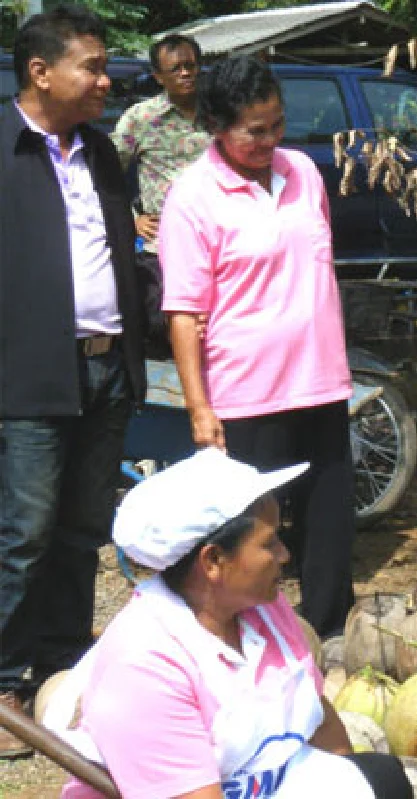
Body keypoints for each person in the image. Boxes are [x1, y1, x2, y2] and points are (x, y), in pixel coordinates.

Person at [51, 449, 413, 798]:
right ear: (213, 562)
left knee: (381, 778)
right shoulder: (145, 667)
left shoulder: (262, 608)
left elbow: (316, 713)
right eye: (269, 543)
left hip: (268, 782)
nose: (285, 555)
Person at [158, 56, 355, 637]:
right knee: (252, 536)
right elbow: (184, 313)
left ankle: (329, 635)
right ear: (217, 126)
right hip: (247, 395)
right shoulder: (192, 197)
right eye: (255, 130)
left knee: (329, 526)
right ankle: (247, 640)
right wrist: (200, 409)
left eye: (277, 124)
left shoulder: (303, 174)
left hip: (320, 379)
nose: (271, 140)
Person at [0, 5, 147, 759]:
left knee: (81, 532)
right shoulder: (3, 148)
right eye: (91, 65)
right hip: (27, 376)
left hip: (106, 369)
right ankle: (2, 688)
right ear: (40, 71)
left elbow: (122, 254)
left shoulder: (100, 151)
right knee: (21, 534)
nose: (104, 78)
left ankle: (58, 674)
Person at [111, 34, 210, 357]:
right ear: (158, 76)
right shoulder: (141, 119)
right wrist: (131, 219)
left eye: (191, 66)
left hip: (217, 244)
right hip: (163, 248)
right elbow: (104, 176)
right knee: (166, 331)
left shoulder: (220, 114)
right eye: (176, 68)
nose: (185, 74)